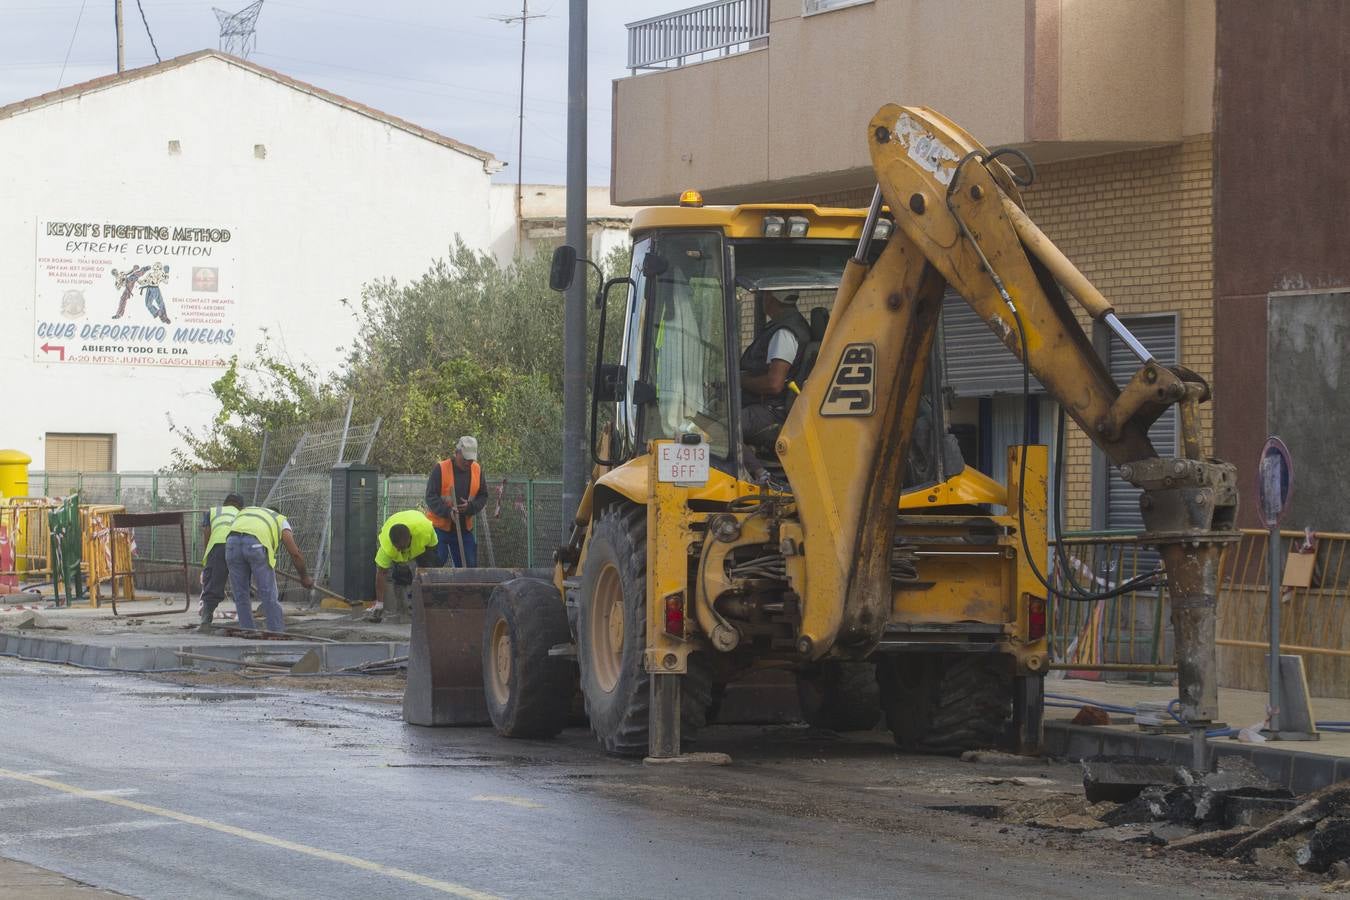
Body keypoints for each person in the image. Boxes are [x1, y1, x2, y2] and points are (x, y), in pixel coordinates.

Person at [740, 290, 812, 451]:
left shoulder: (784, 333)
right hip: (768, 406)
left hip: (771, 411)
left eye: (765, 294)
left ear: (770, 298)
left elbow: (774, 384)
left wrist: (740, 380)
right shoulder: (791, 325)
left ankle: (760, 473)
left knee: (721, 430)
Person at [225, 505, 312, 633]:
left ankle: (247, 631)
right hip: (255, 545)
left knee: (240, 593)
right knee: (268, 593)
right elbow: (295, 553)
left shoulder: (248, 511)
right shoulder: (280, 519)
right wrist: (304, 577)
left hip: (231, 545)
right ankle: (276, 631)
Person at [424, 435, 488, 568]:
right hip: (438, 527)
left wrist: (470, 507)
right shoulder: (440, 468)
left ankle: (462, 589)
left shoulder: (477, 470)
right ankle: (431, 588)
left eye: (471, 460)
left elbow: (483, 495)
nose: (468, 463)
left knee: (469, 566)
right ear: (456, 453)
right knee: (436, 562)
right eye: (465, 459)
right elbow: (430, 496)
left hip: (464, 528)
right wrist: (448, 512)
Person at [366, 509, 439, 623]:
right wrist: (379, 603)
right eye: (397, 548)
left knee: (428, 570)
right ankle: (403, 610)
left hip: (419, 528)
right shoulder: (387, 547)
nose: (400, 551)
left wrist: (427, 573)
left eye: (402, 547)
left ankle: (429, 606)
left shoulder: (425, 531)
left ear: (410, 538)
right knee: (400, 574)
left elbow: (433, 550)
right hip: (398, 526)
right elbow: (381, 573)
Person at [197, 492, 243, 631]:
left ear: (225, 503)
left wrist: (208, 552)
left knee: (213, 583)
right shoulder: (242, 513)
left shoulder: (212, 511)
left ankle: (206, 621)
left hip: (218, 547)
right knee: (241, 583)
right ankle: (246, 621)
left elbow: (207, 532)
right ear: (240, 506)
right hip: (238, 546)